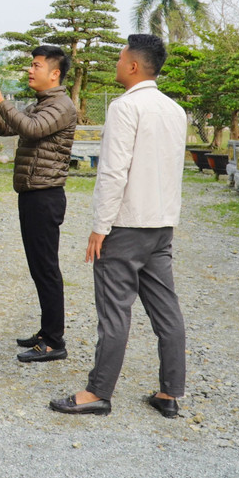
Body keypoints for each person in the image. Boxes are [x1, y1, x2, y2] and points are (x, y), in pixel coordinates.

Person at [49, 33, 188, 418]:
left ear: (133, 66)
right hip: (161, 224)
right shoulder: (175, 110)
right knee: (167, 311)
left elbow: (113, 171)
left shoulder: (125, 107)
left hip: (126, 225)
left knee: (114, 311)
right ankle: (170, 392)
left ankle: (98, 392)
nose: (117, 63)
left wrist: (100, 226)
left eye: (120, 57)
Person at [0, 44, 78, 364]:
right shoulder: (42, 104)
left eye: (36, 65)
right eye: (31, 65)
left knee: (46, 268)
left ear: (55, 73)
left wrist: (2, 101)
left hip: (45, 195)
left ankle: (54, 341)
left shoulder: (61, 105)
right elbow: (7, 127)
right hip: (33, 193)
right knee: (39, 267)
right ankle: (47, 331)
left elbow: (31, 129)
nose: (30, 70)